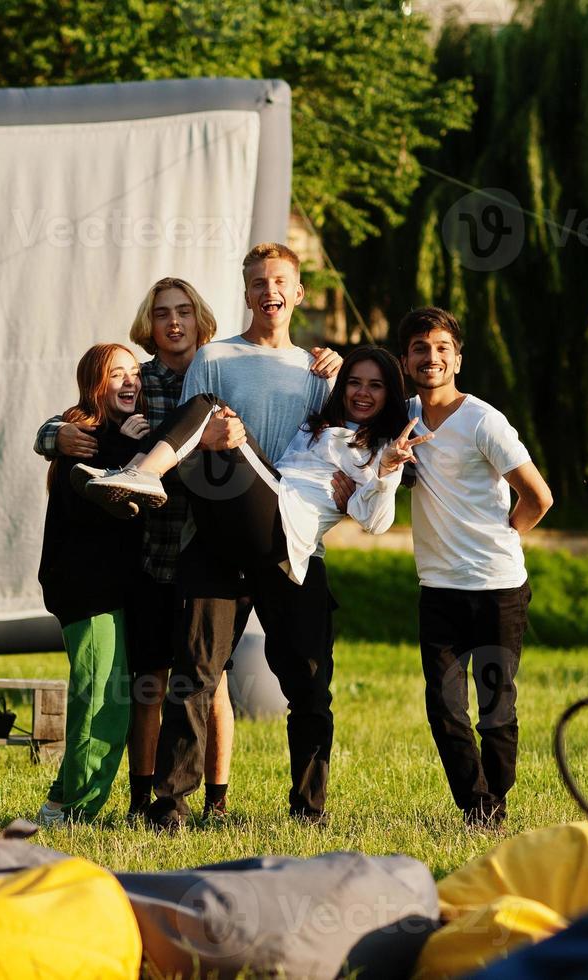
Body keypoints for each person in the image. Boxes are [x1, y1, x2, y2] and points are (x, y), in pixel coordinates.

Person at [33, 277, 342, 821]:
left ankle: (217, 801)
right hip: (154, 551)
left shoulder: (223, 367)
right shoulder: (137, 379)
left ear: (201, 319)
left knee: (210, 679)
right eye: (161, 315)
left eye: (182, 312)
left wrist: (330, 368)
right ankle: (144, 797)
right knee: (154, 681)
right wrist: (53, 434)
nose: (173, 323)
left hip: (215, 542)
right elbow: (83, 412)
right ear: (148, 327)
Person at [82, 344, 420, 830]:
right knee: (193, 671)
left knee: (309, 689)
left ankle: (309, 808)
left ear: (390, 395)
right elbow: (285, 473)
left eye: (375, 385)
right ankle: (170, 806)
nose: (362, 393)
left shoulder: (382, 446)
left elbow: (375, 521)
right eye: (354, 381)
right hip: (249, 521)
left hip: (287, 540)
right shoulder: (315, 427)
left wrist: (384, 473)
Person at [378, 306, 553, 828]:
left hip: (499, 588)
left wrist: (501, 537)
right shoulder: (402, 415)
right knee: (445, 707)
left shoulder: (483, 420)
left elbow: (538, 497)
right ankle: (477, 806)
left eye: (441, 349)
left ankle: (495, 797)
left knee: (495, 707)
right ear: (406, 360)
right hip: (438, 589)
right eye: (419, 349)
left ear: (457, 358)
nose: (430, 358)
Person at [34, 343, 149, 826]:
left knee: (100, 696)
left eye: (133, 374)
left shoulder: (112, 431)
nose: (129, 382)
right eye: (115, 374)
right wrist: (134, 446)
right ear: (94, 386)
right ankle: (78, 810)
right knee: (102, 702)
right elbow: (113, 490)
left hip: (109, 588)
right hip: (87, 589)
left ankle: (59, 803)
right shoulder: (83, 436)